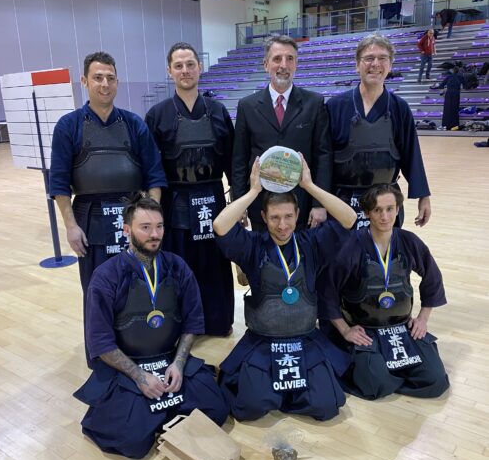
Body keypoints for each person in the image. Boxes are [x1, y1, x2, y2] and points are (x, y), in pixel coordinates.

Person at [73, 193, 229, 459]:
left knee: (217, 409)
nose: (154, 234)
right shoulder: (106, 276)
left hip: (168, 360)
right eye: (145, 227)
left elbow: (192, 323)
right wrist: (139, 376)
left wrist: (179, 363)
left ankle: (158, 416)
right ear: (126, 230)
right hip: (127, 367)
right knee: (131, 440)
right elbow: (100, 343)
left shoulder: (177, 267)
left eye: (159, 226)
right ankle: (157, 416)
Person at [213, 158, 357, 421]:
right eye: (275, 217)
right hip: (263, 341)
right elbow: (220, 226)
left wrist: (310, 186)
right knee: (250, 408)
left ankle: (283, 393)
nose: (282, 225)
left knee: (326, 407)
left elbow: (349, 218)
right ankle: (278, 391)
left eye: (288, 216)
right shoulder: (253, 246)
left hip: (304, 339)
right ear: (263, 217)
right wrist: (253, 191)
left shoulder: (311, 243)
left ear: (298, 215)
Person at [50, 51, 166, 297]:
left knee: (137, 293)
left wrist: (151, 221)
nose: (105, 84)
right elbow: (59, 184)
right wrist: (71, 227)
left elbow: (154, 175)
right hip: (90, 223)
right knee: (98, 292)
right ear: (84, 81)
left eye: (110, 78)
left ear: (117, 82)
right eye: (98, 77)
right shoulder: (68, 126)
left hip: (132, 221)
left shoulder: (134, 124)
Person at [321, 184, 449, 400]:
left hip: (401, 328)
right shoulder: (351, 246)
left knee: (435, 380)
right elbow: (327, 290)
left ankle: (388, 370)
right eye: (377, 210)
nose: (385, 216)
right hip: (366, 330)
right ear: (366, 213)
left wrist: (422, 319)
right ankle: (382, 370)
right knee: (377, 385)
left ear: (398, 209)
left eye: (390, 209)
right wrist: (345, 330)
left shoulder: (409, 241)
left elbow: (432, 277)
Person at [145, 42, 234, 337]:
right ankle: (183, 328)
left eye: (190, 64)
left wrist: (238, 205)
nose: (185, 70)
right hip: (175, 205)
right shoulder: (157, 115)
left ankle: (217, 322)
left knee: (214, 265)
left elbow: (232, 162)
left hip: (214, 202)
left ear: (200, 67)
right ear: (169, 71)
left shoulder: (218, 111)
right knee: (179, 268)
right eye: (179, 65)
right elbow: (151, 168)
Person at [326, 33, 431, 231]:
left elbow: (412, 155)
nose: (375, 64)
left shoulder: (400, 108)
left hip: (385, 202)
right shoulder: (335, 106)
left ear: (390, 65)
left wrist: (423, 196)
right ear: (357, 65)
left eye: (383, 58)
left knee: (384, 250)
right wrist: (319, 204)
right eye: (369, 58)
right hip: (342, 202)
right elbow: (323, 159)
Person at [231, 35, 332, 232]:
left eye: (290, 59)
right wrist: (240, 203)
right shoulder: (247, 106)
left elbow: (323, 156)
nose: (283, 65)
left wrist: (319, 203)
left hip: (301, 207)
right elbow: (239, 160)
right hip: (260, 205)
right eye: (277, 59)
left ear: (296, 64)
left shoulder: (314, 103)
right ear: (266, 64)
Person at [438, 66, 466, 130]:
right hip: (456, 94)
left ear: (453, 71)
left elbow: (441, 85)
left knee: (447, 110)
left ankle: (446, 125)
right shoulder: (460, 77)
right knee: (455, 110)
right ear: (458, 71)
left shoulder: (449, 76)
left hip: (448, 95)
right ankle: (455, 125)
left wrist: (444, 89)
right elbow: (465, 86)